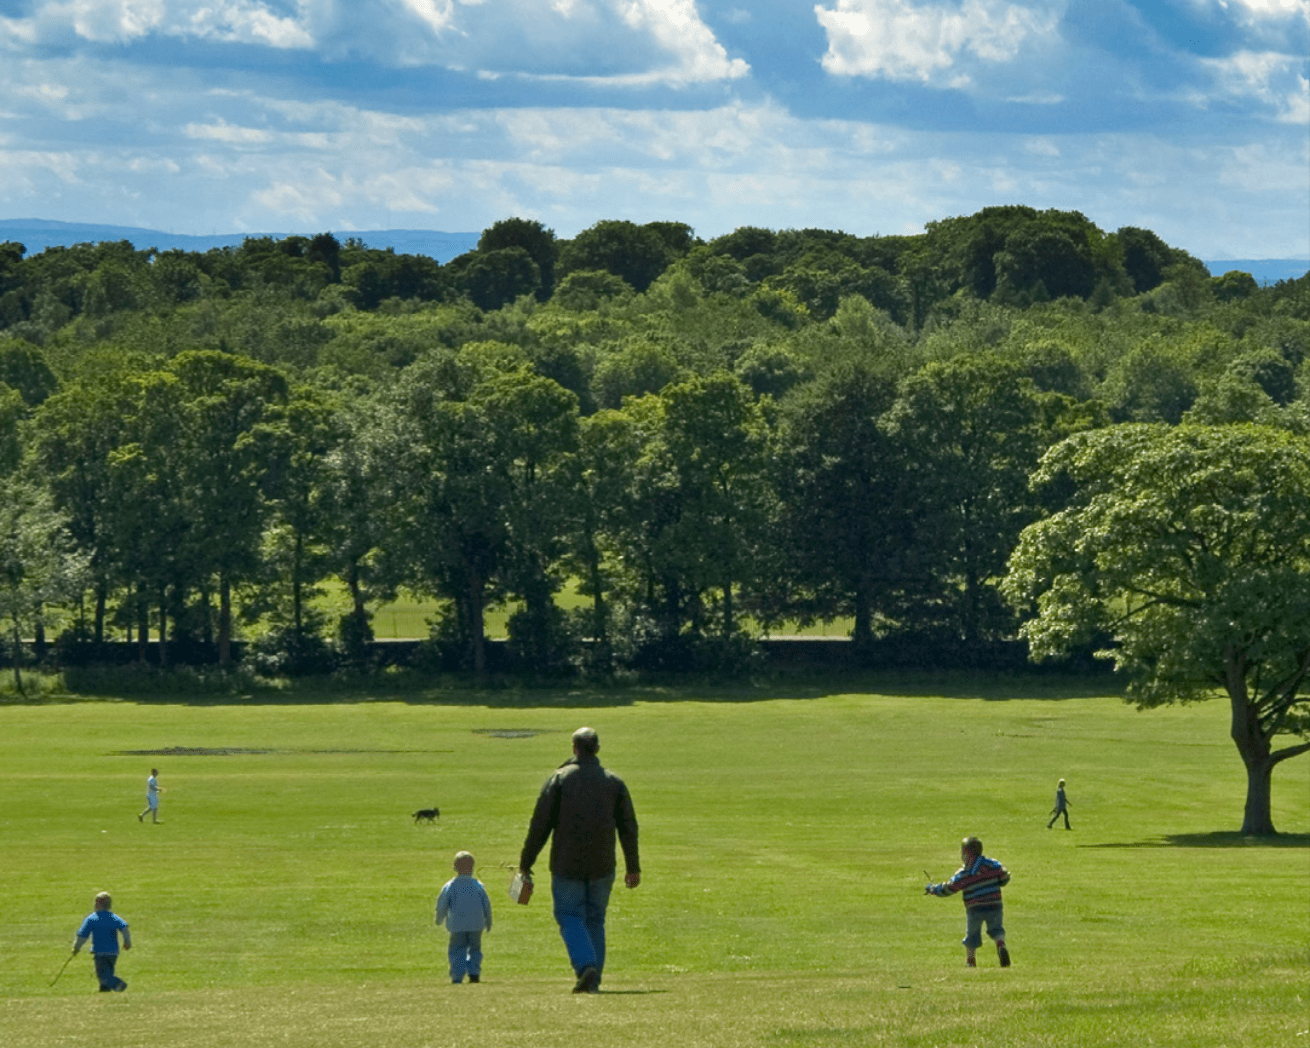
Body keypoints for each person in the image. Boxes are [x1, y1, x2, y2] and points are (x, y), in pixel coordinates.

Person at [518, 726, 640, 994]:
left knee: (570, 915)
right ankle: (593, 975)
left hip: (566, 864)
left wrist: (526, 862)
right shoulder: (614, 782)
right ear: (597, 749)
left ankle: (586, 968)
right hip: (603, 864)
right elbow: (628, 828)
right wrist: (633, 867)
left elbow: (540, 825)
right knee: (595, 919)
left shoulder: (560, 779)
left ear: (574, 747)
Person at [925, 836, 1011, 968]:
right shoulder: (992, 865)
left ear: (966, 854)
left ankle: (971, 961)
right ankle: (1001, 945)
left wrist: (933, 889)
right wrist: (999, 882)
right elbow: (1005, 876)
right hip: (995, 905)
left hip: (974, 908)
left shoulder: (964, 873)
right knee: (996, 929)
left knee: (972, 934)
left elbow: (949, 888)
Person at [435, 851, 492, 984]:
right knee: (475, 949)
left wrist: (439, 918)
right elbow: (486, 905)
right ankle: (474, 973)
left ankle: (457, 975)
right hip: (476, 924)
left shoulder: (450, 886)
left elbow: (442, 903)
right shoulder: (478, 885)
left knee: (457, 949)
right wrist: (488, 921)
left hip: (457, 925)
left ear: (455, 867)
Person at [73, 891, 132, 992]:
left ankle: (119, 985)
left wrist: (76, 947)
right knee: (108, 971)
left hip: (100, 952)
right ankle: (104, 990)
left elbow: (82, 935)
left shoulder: (92, 919)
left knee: (102, 974)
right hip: (113, 951)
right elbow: (124, 928)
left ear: (97, 904)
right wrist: (127, 941)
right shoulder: (113, 917)